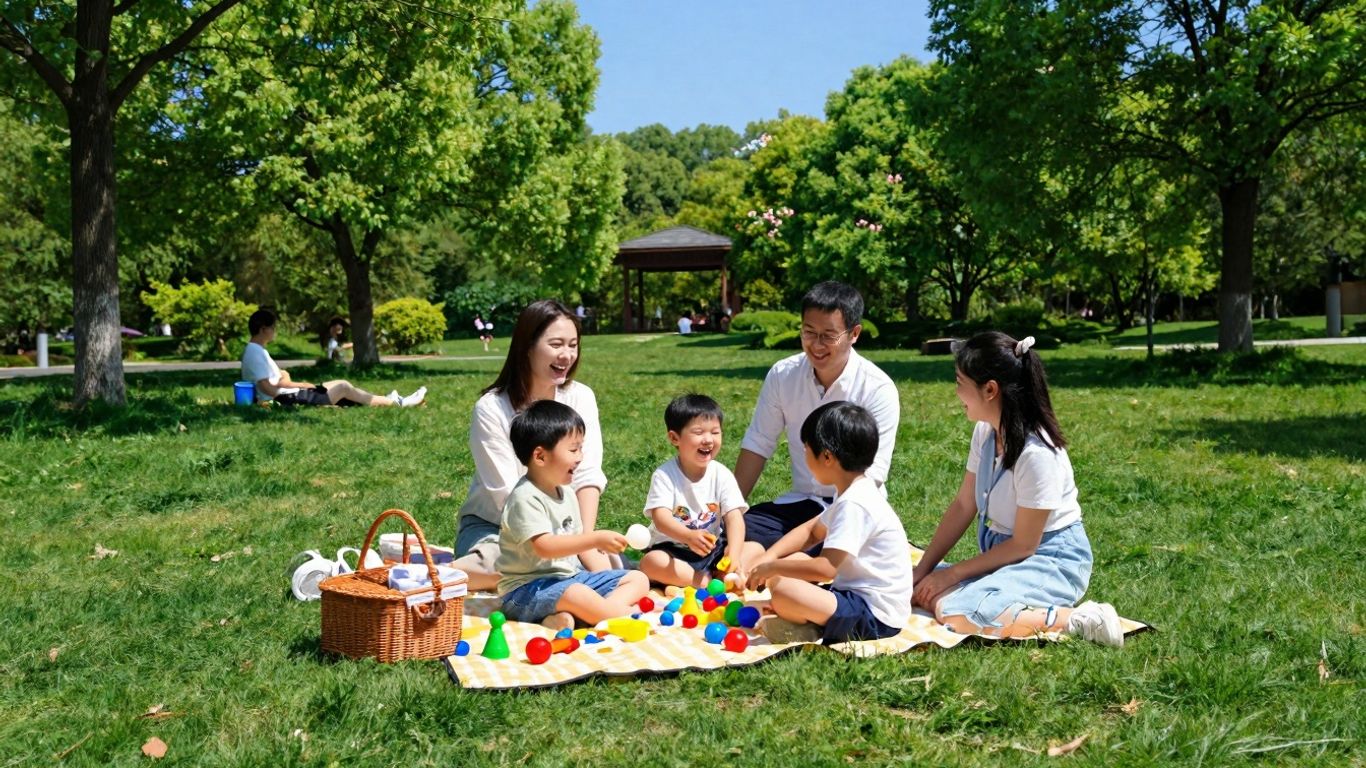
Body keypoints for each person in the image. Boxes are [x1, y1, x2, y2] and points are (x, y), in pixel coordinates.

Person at [910, 332, 1123, 646]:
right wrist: (924, 569)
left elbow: (1024, 545)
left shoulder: (1038, 454)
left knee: (960, 612)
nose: (956, 393)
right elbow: (963, 505)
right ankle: (977, 595)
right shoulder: (985, 433)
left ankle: (1080, 621)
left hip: (1052, 560)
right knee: (916, 585)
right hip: (1006, 555)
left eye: (960, 383)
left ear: (990, 390)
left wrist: (952, 575)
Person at [454, 300, 612, 593]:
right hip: (498, 528)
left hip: (567, 527)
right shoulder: (492, 408)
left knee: (611, 563)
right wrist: (568, 549)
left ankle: (559, 590)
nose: (566, 355)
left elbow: (588, 474)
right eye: (556, 344)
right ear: (527, 346)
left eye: (573, 345)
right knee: (503, 566)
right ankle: (437, 575)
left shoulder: (581, 397)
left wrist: (585, 539)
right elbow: (509, 495)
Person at [736, 281, 899, 549]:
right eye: (809, 332)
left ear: (854, 333)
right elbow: (758, 442)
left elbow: (872, 476)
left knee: (827, 550)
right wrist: (729, 511)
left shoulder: (877, 388)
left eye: (829, 335)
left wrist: (810, 535)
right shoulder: (782, 375)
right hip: (800, 502)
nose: (817, 345)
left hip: (852, 510)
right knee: (738, 532)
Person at [745, 401, 912, 644]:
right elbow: (812, 531)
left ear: (826, 456)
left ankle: (809, 628)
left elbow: (826, 569)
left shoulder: (855, 504)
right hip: (851, 596)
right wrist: (769, 559)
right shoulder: (851, 491)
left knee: (784, 590)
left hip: (875, 616)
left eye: (806, 449)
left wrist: (772, 568)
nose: (804, 456)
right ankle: (807, 618)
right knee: (792, 566)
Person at [496, 400, 649, 629]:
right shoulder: (525, 498)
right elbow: (545, 547)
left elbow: (581, 548)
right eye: (573, 449)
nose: (580, 456)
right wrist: (595, 537)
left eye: (580, 448)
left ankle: (586, 613)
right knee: (577, 594)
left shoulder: (566, 493)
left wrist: (604, 576)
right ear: (540, 456)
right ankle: (618, 615)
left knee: (636, 578)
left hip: (567, 580)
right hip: (524, 591)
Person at [638, 395, 756, 589]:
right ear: (675, 438)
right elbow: (661, 518)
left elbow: (734, 518)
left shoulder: (721, 474)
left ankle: (722, 572)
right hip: (674, 550)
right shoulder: (665, 475)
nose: (708, 440)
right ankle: (704, 581)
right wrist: (688, 536)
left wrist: (733, 554)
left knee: (753, 548)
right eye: (699, 432)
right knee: (652, 562)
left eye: (715, 432)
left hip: (712, 549)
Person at [241, 309, 426, 407]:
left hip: (289, 394)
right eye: (273, 327)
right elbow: (268, 389)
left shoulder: (257, 350)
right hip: (287, 399)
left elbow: (276, 378)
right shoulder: (255, 352)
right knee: (344, 388)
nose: (274, 331)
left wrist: (287, 379)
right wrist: (294, 384)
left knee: (341, 383)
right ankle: (398, 403)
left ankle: (388, 400)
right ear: (263, 329)